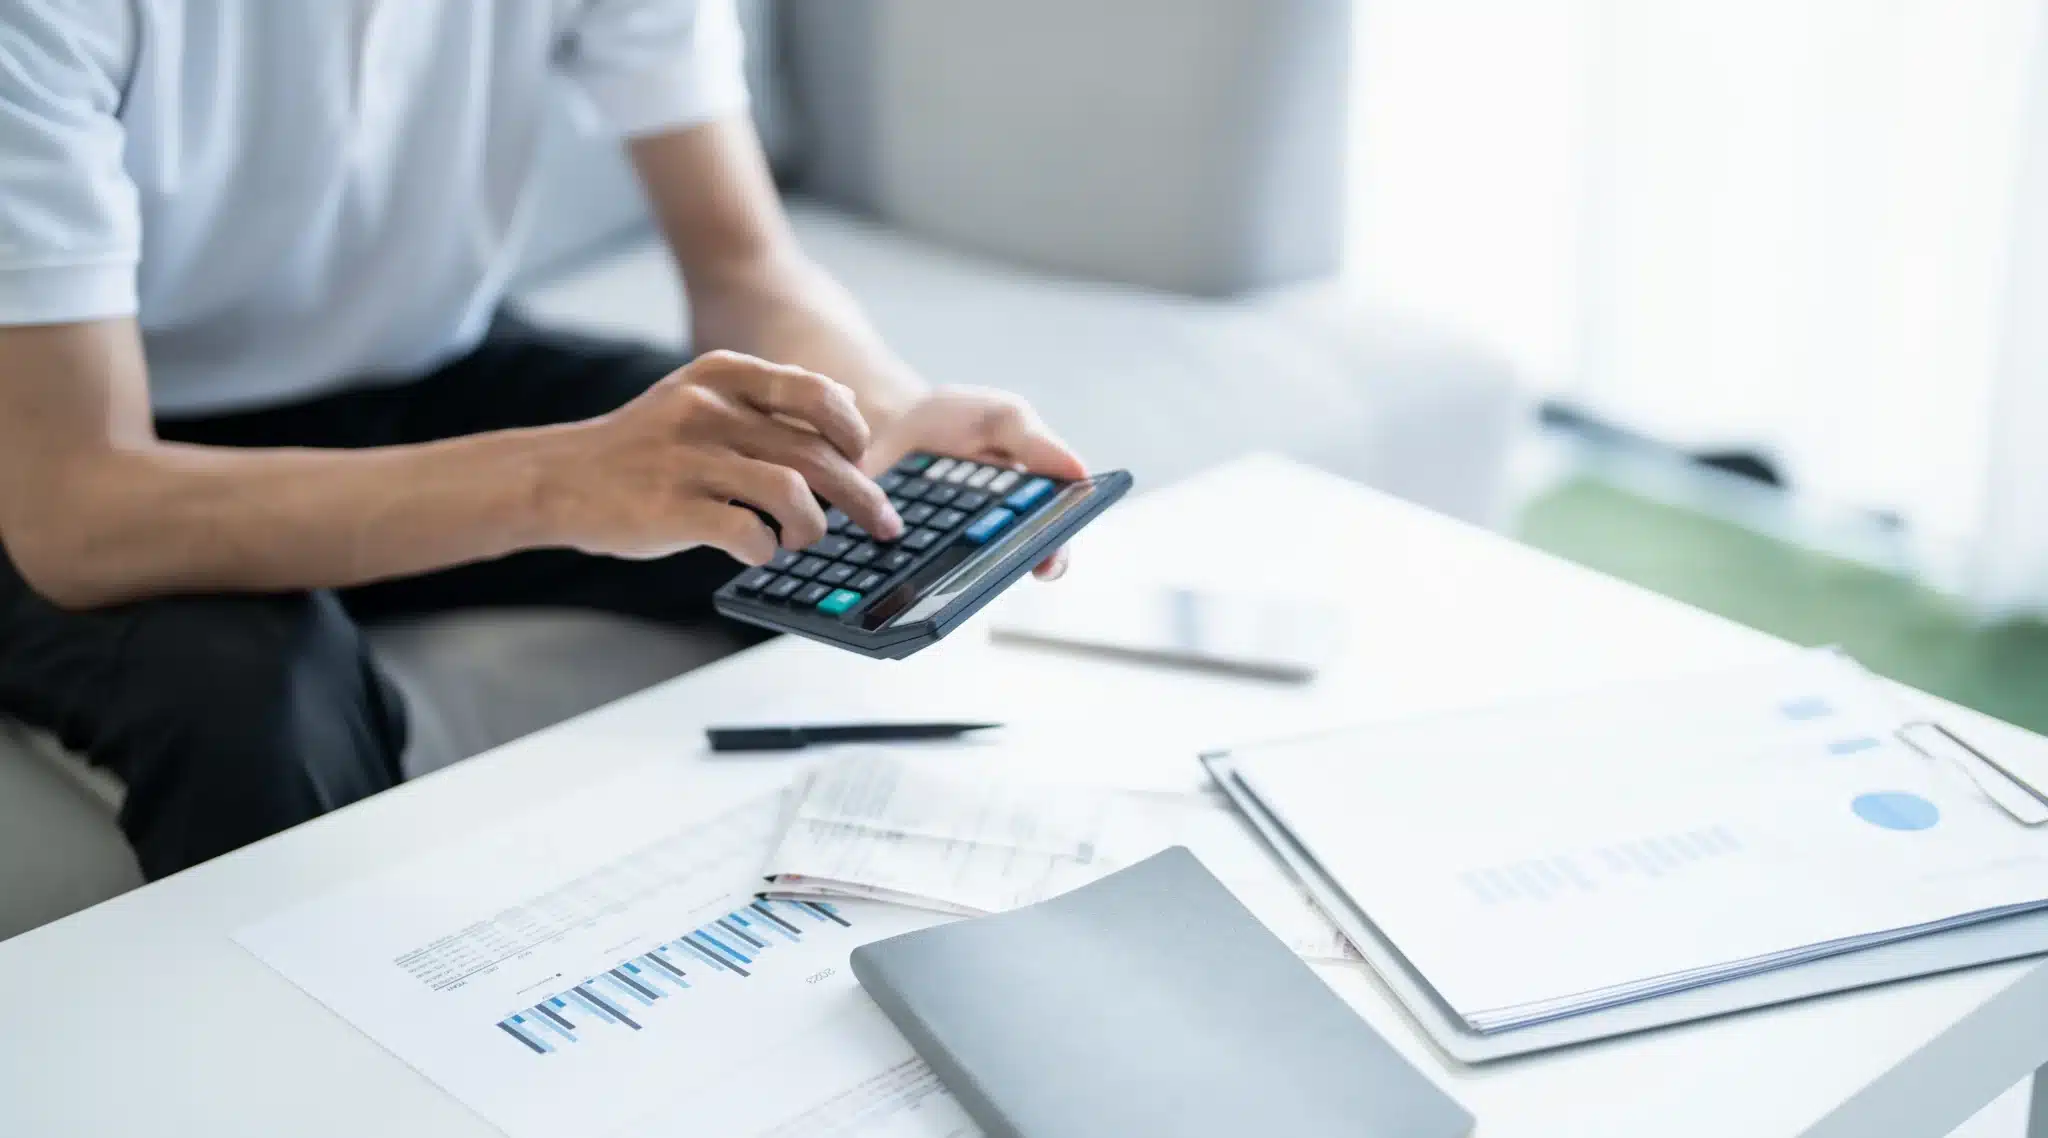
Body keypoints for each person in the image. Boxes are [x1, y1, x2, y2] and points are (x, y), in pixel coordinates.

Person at [0, 1, 1086, 880]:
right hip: (69, 445)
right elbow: (80, 510)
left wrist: (883, 422)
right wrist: (558, 481)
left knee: (812, 510)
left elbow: (744, 267)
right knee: (252, 700)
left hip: (422, 366)